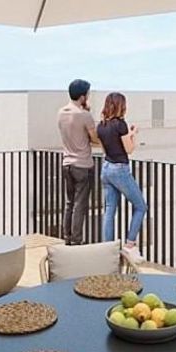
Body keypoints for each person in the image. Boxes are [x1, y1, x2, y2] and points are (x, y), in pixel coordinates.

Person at [96, 92, 147, 264]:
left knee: (110, 209)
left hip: (106, 168)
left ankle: (108, 249)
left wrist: (128, 134)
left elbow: (107, 149)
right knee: (141, 206)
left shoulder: (101, 126)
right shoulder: (120, 124)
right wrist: (134, 133)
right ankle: (130, 245)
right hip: (120, 169)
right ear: (121, 106)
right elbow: (129, 149)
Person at [58, 79, 99, 245]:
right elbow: (95, 138)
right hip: (82, 165)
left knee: (69, 203)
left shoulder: (61, 112)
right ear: (82, 96)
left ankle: (67, 237)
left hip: (67, 163)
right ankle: (76, 240)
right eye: (87, 94)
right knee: (79, 205)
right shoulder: (84, 115)